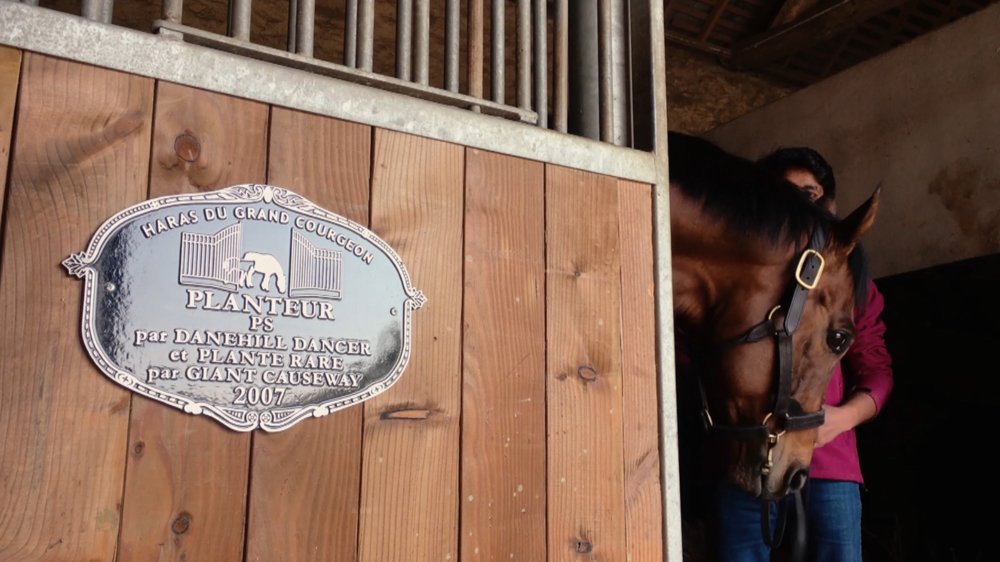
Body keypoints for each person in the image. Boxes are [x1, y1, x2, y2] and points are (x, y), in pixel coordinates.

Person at [706, 146, 895, 562]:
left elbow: (877, 372)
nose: (798, 208)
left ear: (830, 207)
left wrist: (842, 418)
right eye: (785, 196)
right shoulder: (737, 283)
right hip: (746, 456)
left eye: (809, 196)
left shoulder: (850, 286)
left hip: (829, 462)